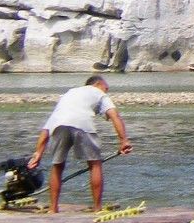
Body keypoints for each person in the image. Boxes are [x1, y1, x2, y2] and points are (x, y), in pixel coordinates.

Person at [27, 76, 132, 213]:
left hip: (59, 125)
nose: (106, 92)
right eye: (106, 88)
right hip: (82, 123)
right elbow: (114, 115)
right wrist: (123, 141)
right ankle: (97, 208)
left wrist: (38, 153)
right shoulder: (98, 92)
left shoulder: (69, 94)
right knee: (95, 164)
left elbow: (47, 129)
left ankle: (53, 209)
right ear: (98, 84)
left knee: (57, 166)